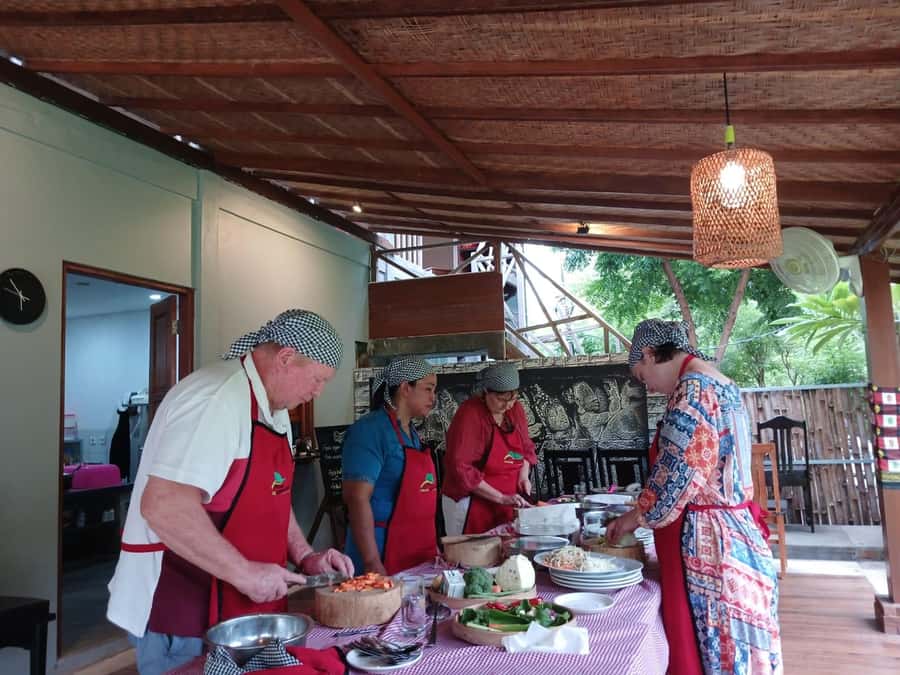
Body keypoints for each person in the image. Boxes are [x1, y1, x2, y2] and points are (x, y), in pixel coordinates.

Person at [107, 310, 354, 675]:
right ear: (286, 358)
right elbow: (164, 506)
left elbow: (274, 494)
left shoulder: (274, 409)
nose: (317, 392)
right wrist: (247, 574)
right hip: (183, 609)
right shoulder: (216, 398)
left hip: (242, 609)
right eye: (317, 379)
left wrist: (305, 556)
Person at [606, 319, 782, 675]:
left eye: (643, 377)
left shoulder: (693, 391)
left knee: (718, 647)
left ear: (651, 354)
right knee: (740, 647)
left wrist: (632, 518)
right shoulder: (721, 382)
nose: (650, 388)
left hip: (711, 539)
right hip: (734, 529)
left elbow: (678, 475)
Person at [342, 356, 439, 575]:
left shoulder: (412, 433)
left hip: (415, 548)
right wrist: (372, 562)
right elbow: (357, 498)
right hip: (381, 548)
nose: (433, 398)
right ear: (406, 388)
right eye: (428, 389)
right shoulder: (369, 431)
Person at [441, 363, 538, 536]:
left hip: (508, 501)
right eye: (501, 399)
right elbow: (461, 468)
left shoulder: (515, 410)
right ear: (485, 392)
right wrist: (500, 497)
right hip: (470, 502)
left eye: (513, 398)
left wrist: (523, 477)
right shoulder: (469, 414)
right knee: (471, 559)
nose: (507, 405)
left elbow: (526, 449)